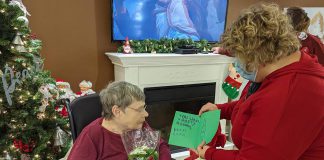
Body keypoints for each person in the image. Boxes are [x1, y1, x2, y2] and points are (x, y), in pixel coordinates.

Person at [195, 3, 324, 160]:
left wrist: (209, 153)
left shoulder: (289, 94)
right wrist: (221, 109)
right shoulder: (279, 69)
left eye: (239, 57)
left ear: (256, 56)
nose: (237, 63)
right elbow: (251, 104)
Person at [68, 81, 171, 160]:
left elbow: (160, 146)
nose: (146, 114)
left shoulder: (139, 125)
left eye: (144, 107)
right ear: (117, 111)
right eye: (139, 109)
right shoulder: (92, 135)